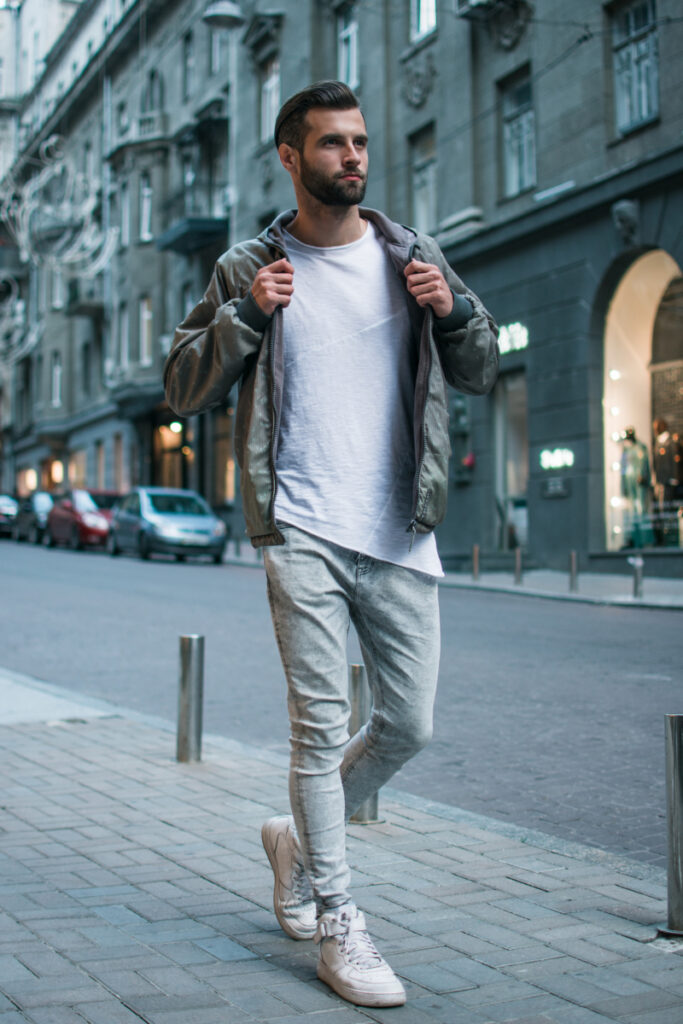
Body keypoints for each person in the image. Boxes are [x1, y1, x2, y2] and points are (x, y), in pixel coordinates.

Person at [164, 81, 499, 1009]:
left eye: (358, 142)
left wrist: (454, 311)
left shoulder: (412, 256)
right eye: (330, 145)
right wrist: (244, 318)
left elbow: (480, 366)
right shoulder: (248, 267)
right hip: (302, 525)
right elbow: (181, 384)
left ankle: (293, 839)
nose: (352, 157)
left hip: (397, 527)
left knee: (409, 725)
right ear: (289, 157)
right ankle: (337, 919)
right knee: (316, 727)